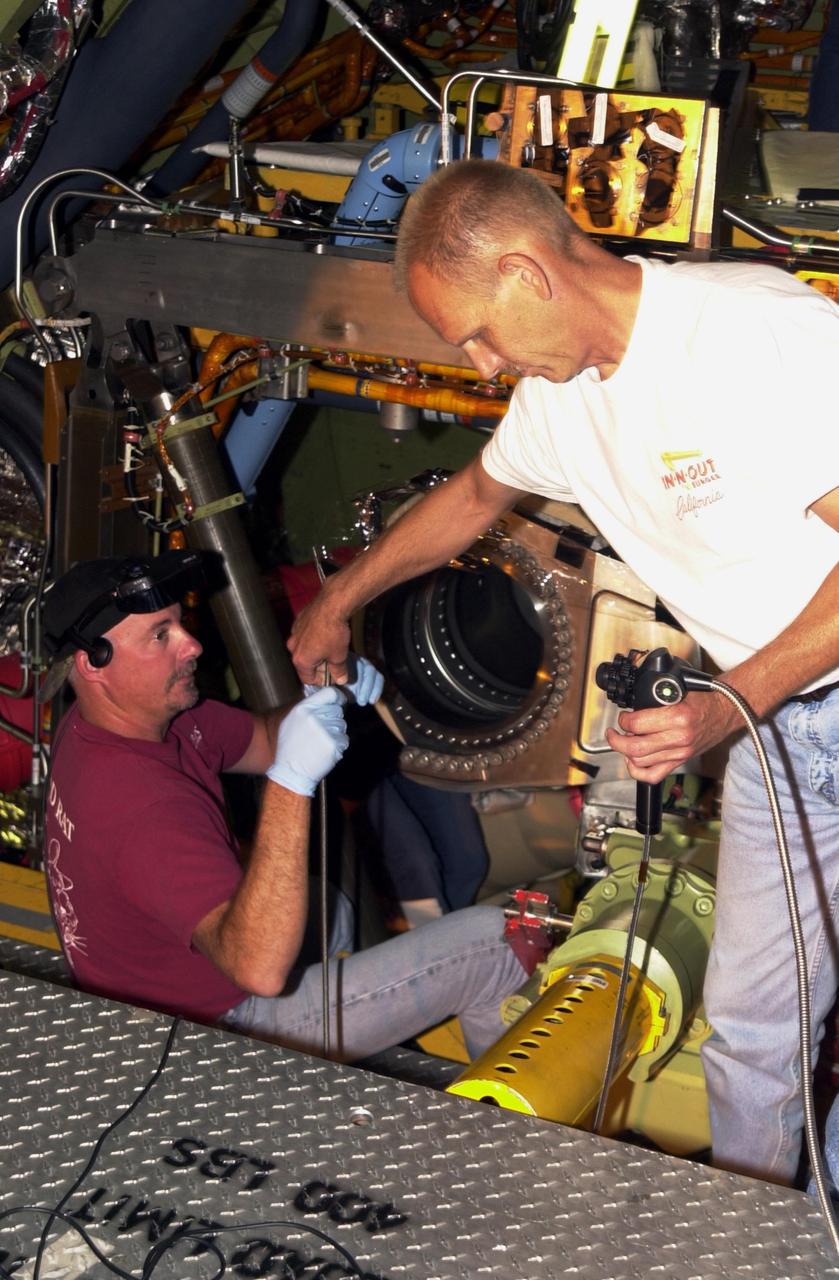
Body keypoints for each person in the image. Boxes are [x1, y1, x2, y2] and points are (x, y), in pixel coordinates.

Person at [288, 158, 839, 1185]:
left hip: (770, 706)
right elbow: (468, 498)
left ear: (526, 273)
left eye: (477, 334)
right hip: (781, 735)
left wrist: (727, 704)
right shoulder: (562, 394)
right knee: (751, 1037)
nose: (486, 362)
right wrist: (337, 597)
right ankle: (756, 1248)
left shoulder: (748, 335)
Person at [40, 550, 532, 1062]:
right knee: (494, 945)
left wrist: (327, 694)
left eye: (179, 624)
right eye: (160, 636)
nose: (192, 645)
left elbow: (265, 739)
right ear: (92, 665)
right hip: (209, 1037)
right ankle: (492, 1127)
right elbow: (258, 969)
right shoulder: (141, 804)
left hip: (178, 982)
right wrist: (290, 783)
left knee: (334, 909)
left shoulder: (132, 720)